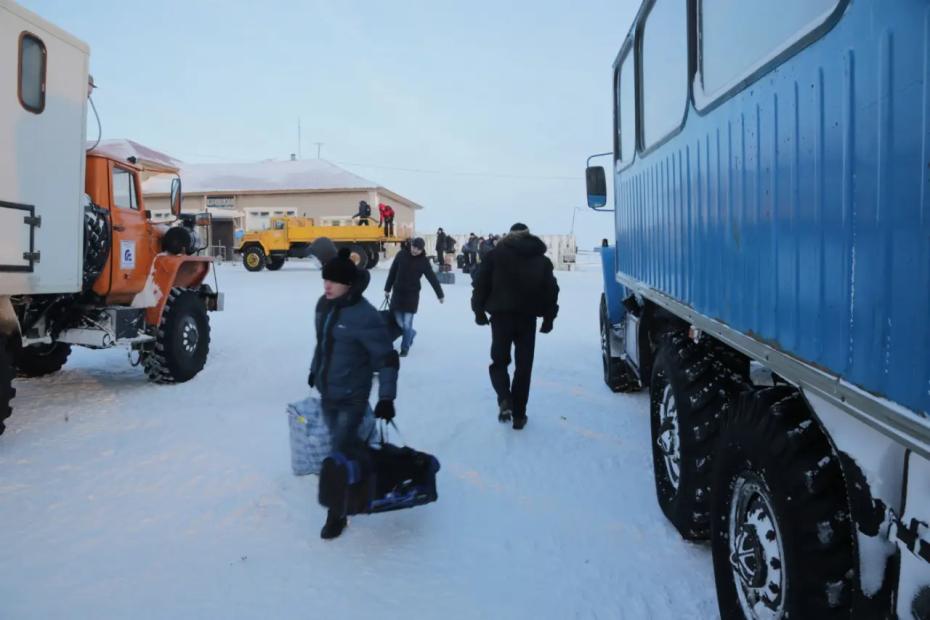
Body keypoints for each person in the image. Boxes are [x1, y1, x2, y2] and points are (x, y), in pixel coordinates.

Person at [308, 247, 399, 539]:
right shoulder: (324, 305)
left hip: (352, 397)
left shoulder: (365, 315)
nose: (327, 286)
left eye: (333, 281)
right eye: (325, 280)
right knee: (346, 446)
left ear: (349, 284)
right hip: (328, 392)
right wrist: (315, 369)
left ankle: (337, 514)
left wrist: (386, 398)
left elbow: (387, 357)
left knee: (339, 449)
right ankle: (372, 473)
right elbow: (321, 343)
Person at [471, 223, 559, 430]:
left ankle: (504, 397)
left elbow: (480, 284)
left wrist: (479, 311)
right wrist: (549, 318)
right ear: (529, 235)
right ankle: (519, 415)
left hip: (500, 318)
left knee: (499, 361)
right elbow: (551, 291)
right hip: (527, 318)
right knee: (524, 366)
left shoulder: (494, 255)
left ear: (509, 235)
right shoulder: (541, 260)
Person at [384, 237, 444, 356]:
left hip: (411, 296)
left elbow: (432, 278)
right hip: (398, 293)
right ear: (410, 245)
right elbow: (393, 271)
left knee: (406, 324)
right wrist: (387, 288)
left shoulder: (424, 262)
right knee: (400, 323)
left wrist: (440, 294)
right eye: (413, 247)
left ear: (422, 250)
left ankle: (405, 348)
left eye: (418, 249)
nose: (415, 250)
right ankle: (411, 333)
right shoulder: (401, 254)